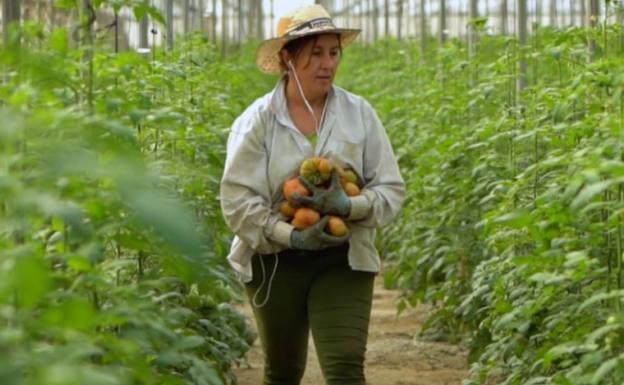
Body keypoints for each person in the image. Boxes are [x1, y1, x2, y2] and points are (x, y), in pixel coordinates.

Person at [220, 4, 405, 385]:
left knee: (345, 368)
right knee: (283, 371)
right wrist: (292, 234)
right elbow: (238, 203)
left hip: (343, 257)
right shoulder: (257, 122)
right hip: (276, 263)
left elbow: (390, 189)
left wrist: (348, 205)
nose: (327, 64)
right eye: (315, 53)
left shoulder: (360, 114)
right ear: (288, 58)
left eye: (333, 52)